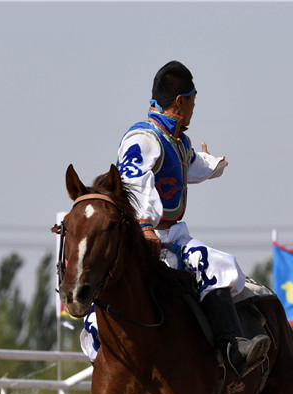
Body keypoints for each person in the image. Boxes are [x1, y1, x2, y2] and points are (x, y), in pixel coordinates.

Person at [81, 61, 269, 377]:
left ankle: (231, 348)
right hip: (143, 240)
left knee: (212, 263)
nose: (194, 110)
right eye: (193, 102)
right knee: (106, 307)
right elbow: (132, 179)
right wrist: (143, 225)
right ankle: (110, 371)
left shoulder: (178, 141)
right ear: (180, 101)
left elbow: (192, 165)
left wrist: (216, 163)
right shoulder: (143, 137)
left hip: (174, 237)